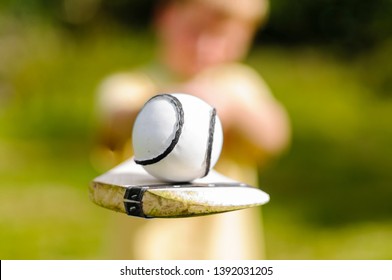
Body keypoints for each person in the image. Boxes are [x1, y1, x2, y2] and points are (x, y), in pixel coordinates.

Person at [92, 0, 290, 259]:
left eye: (222, 37)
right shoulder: (131, 84)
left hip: (224, 258)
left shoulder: (240, 85)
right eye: (194, 30)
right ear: (165, 17)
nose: (205, 46)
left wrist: (233, 111)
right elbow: (114, 119)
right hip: (142, 259)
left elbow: (275, 136)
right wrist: (171, 104)